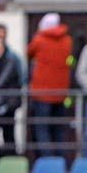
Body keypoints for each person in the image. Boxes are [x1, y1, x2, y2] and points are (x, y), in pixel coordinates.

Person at [27, 13, 72, 158]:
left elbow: (29, 53)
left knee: (42, 128)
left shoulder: (39, 39)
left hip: (42, 93)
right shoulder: (68, 41)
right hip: (61, 93)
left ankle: (46, 160)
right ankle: (59, 160)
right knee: (59, 129)